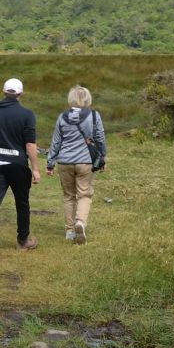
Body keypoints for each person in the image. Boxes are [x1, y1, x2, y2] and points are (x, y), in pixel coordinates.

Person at [0, 78, 40, 259]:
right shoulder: (27, 114)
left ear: (3, 91)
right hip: (18, 165)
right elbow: (30, 145)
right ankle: (23, 240)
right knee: (22, 203)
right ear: (20, 94)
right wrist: (35, 168)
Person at [46, 85, 106, 244]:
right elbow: (100, 138)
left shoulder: (62, 117)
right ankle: (80, 222)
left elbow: (56, 142)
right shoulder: (94, 115)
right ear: (87, 99)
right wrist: (102, 158)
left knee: (68, 196)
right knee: (84, 194)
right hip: (85, 162)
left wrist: (50, 164)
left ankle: (70, 231)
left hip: (64, 162)